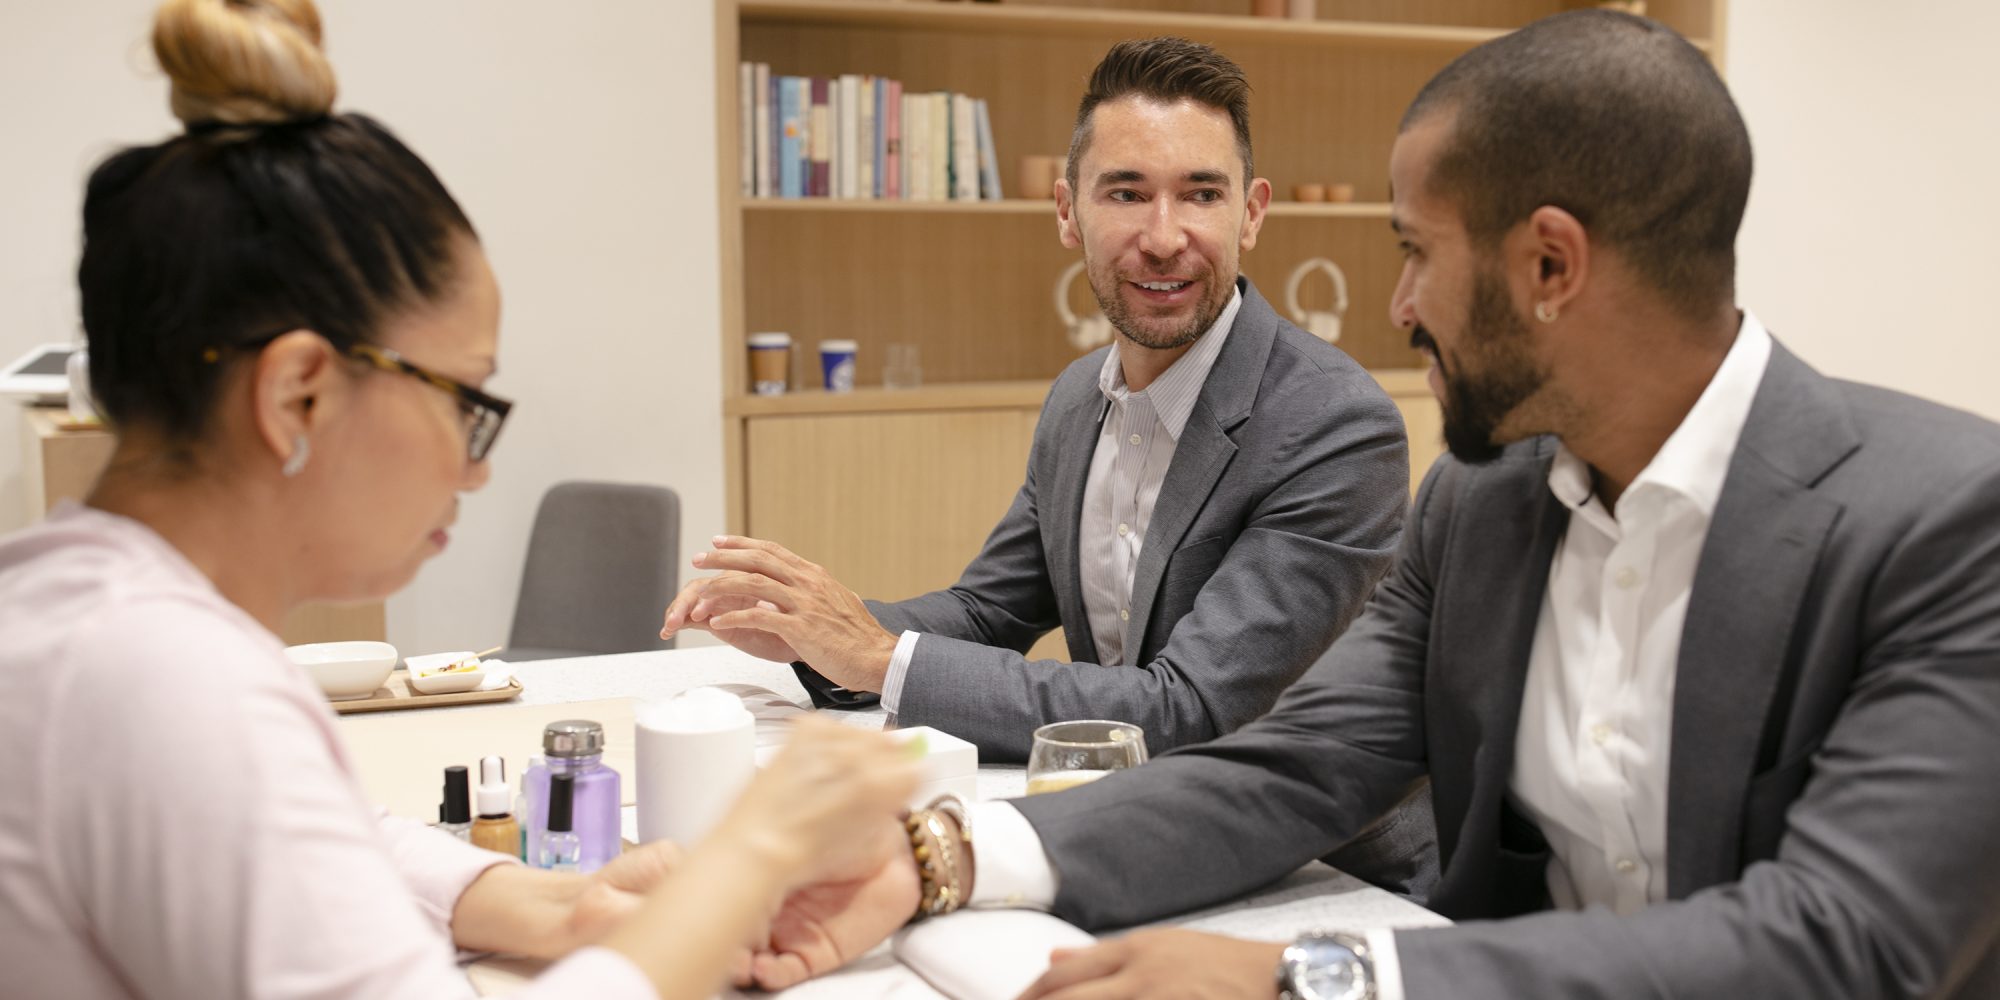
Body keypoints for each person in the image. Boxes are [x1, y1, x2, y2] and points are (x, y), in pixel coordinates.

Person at [742, 11, 2000, 998]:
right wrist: (938, 859)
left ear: (1547, 266)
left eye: (1412, 250)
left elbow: (1844, 944)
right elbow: (1293, 765)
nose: (1396, 308)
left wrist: (1322, 976)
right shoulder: (1484, 501)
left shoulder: (1947, 522)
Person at [0, 2, 921, 997]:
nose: (476, 469)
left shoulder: (83, 620)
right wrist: (754, 856)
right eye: (465, 402)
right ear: (296, 392)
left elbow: (331, 835)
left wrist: (555, 905)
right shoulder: (170, 691)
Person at [662, 37, 1410, 761]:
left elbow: (1188, 710)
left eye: (1201, 194)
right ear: (1066, 211)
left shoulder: (1335, 426)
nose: (1162, 236)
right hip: (1122, 811)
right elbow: (990, 613)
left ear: (1250, 213)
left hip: (1323, 863)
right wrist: (814, 631)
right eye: (1126, 192)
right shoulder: (1078, 399)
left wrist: (879, 656)